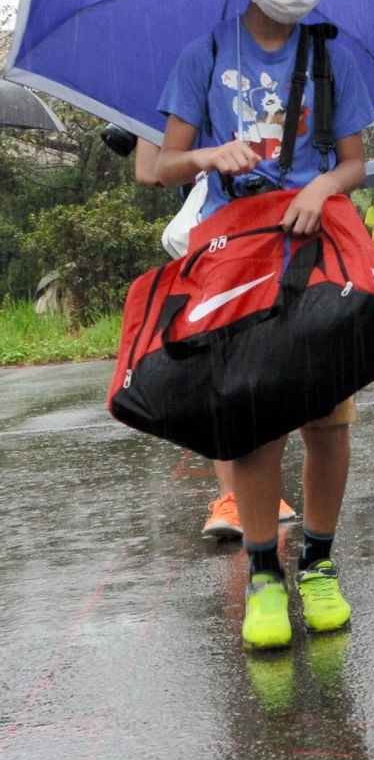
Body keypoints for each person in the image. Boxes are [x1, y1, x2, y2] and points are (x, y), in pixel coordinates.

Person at [155, 0, 374, 650]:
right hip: (234, 257)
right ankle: (261, 573)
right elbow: (155, 166)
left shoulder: (330, 53)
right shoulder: (207, 55)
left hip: (314, 253)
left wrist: (320, 186)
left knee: (326, 416)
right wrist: (208, 156)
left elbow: (354, 161)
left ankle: (317, 561)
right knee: (250, 415)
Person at [112, 129, 299, 542]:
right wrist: (201, 153)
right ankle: (233, 496)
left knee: (271, 371)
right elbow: (150, 172)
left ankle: (264, 493)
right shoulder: (180, 82)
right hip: (214, 241)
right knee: (225, 369)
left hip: (277, 225)